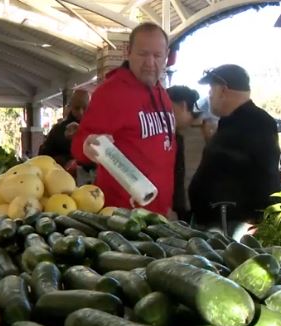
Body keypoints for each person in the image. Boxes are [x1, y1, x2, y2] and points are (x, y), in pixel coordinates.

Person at [71, 22, 176, 215]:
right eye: (143, 54)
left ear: (166, 56)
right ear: (128, 52)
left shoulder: (162, 92)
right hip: (122, 216)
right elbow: (79, 145)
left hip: (159, 213)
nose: (150, 63)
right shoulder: (110, 93)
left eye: (157, 55)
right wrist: (88, 146)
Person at [188, 64, 281, 233]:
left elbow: (267, 174)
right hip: (219, 223)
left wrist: (258, 220)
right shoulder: (230, 123)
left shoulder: (257, 123)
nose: (209, 95)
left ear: (223, 90)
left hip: (236, 227)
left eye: (211, 90)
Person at [167, 85, 206, 222]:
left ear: (183, 106)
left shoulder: (206, 130)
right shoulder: (168, 133)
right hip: (175, 209)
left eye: (168, 108)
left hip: (202, 210)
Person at [40, 90, 90, 167]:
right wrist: (64, 160)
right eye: (77, 108)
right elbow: (43, 157)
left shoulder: (97, 128)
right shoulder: (58, 130)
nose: (81, 112)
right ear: (70, 107)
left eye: (85, 108)